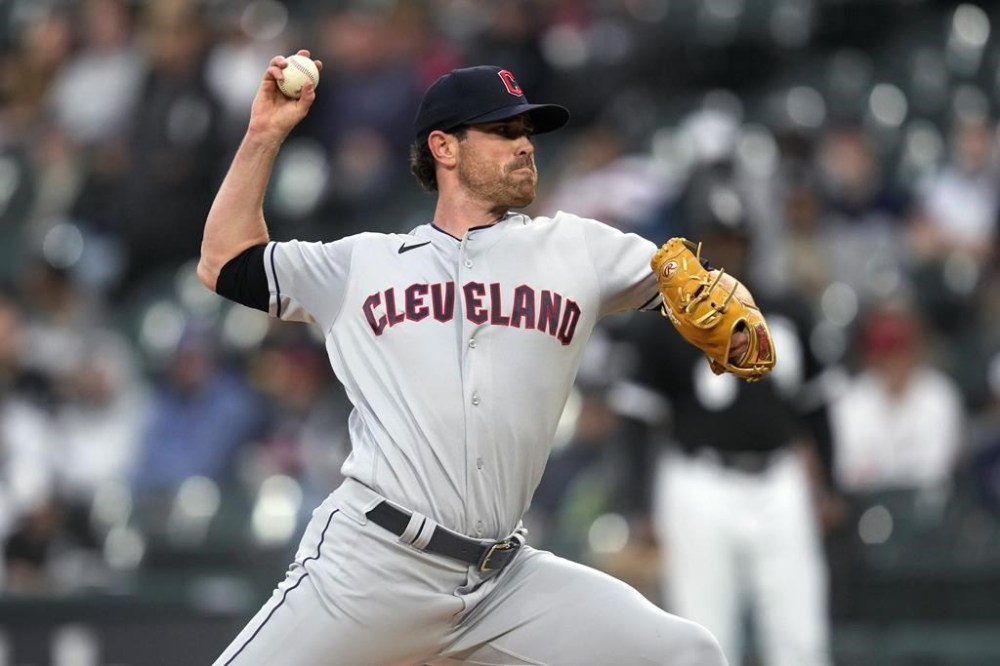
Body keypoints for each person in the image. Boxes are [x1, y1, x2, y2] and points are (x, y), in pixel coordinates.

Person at [198, 50, 736, 665]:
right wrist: (265, 134)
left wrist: (727, 317)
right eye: (503, 131)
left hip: (503, 582)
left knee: (687, 654)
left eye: (527, 132)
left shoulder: (577, 249)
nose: (525, 145)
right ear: (444, 148)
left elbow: (696, 291)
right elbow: (224, 262)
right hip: (373, 564)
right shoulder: (361, 264)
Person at [615, 217, 837, 666]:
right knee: (705, 638)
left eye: (736, 238)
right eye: (719, 239)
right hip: (700, 483)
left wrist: (829, 483)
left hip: (779, 480)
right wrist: (637, 504)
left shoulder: (786, 306)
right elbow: (637, 419)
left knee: (800, 638)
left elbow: (817, 404)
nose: (729, 249)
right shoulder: (665, 319)